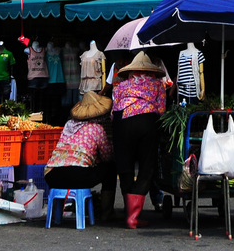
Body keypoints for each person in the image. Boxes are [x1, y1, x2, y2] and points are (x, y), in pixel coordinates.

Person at [111, 51, 166, 229]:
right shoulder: (158, 84)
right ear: (151, 71)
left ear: (131, 71)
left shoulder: (120, 86)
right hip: (146, 121)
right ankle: (133, 217)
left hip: (121, 121)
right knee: (146, 167)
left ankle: (130, 214)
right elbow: (161, 110)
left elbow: (113, 112)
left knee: (125, 166)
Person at [45, 91, 117, 220]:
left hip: (52, 174)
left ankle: (56, 215)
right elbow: (107, 157)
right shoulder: (97, 128)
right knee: (111, 169)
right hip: (78, 175)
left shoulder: (68, 125)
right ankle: (107, 213)